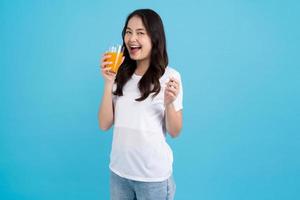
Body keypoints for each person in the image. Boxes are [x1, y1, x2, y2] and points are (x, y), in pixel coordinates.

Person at [98, 8, 183, 200]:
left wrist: (169, 103)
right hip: (119, 173)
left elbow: (175, 131)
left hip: (152, 178)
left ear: (154, 38)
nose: (132, 39)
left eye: (140, 33)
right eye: (128, 32)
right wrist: (108, 82)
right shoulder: (119, 74)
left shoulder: (170, 77)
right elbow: (104, 124)